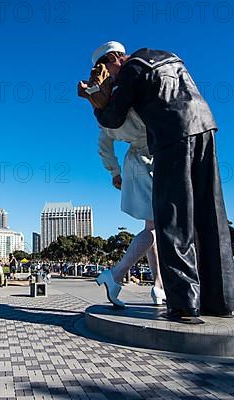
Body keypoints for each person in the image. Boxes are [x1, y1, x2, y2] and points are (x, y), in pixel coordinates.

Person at [80, 41, 234, 324]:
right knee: (209, 212)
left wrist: (96, 103)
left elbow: (113, 117)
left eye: (108, 71)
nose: (110, 78)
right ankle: (221, 299)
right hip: (204, 126)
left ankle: (184, 304)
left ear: (115, 59)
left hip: (169, 136)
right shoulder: (168, 57)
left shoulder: (131, 70)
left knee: (171, 217)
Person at [86, 63, 166, 307]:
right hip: (151, 160)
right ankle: (117, 274)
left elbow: (104, 147)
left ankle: (159, 286)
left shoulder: (106, 112)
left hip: (135, 163)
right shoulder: (132, 95)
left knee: (152, 225)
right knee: (157, 227)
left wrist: (115, 172)